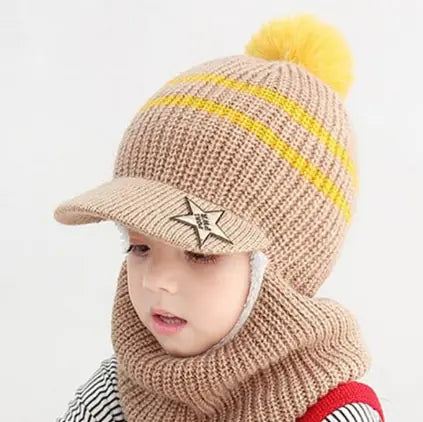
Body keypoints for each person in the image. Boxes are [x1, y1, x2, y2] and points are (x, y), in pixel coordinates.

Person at [54, 12, 385, 422]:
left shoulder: (332, 413)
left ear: (280, 273)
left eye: (200, 253)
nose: (156, 280)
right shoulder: (117, 392)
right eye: (139, 247)